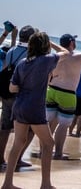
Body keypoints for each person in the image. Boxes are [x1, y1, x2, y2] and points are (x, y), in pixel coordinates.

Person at [0, 31, 68, 189]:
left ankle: (7, 183)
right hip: (34, 108)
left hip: (19, 106)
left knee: (18, 143)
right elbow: (65, 53)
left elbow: (12, 88)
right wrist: (51, 43)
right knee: (48, 143)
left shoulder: (23, 62)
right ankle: (45, 184)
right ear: (45, 46)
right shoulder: (46, 60)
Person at [45, 30, 81, 160]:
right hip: (67, 93)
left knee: (50, 122)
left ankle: (45, 149)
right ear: (71, 43)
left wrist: (49, 42)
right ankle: (58, 152)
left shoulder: (55, 57)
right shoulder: (78, 57)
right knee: (63, 125)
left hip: (52, 90)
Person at [0, 25, 36, 174]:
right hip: (21, 95)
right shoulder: (31, 55)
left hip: (6, 92)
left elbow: (6, 70)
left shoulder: (12, 51)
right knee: (30, 130)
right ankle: (17, 158)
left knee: (5, 127)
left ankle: (1, 158)